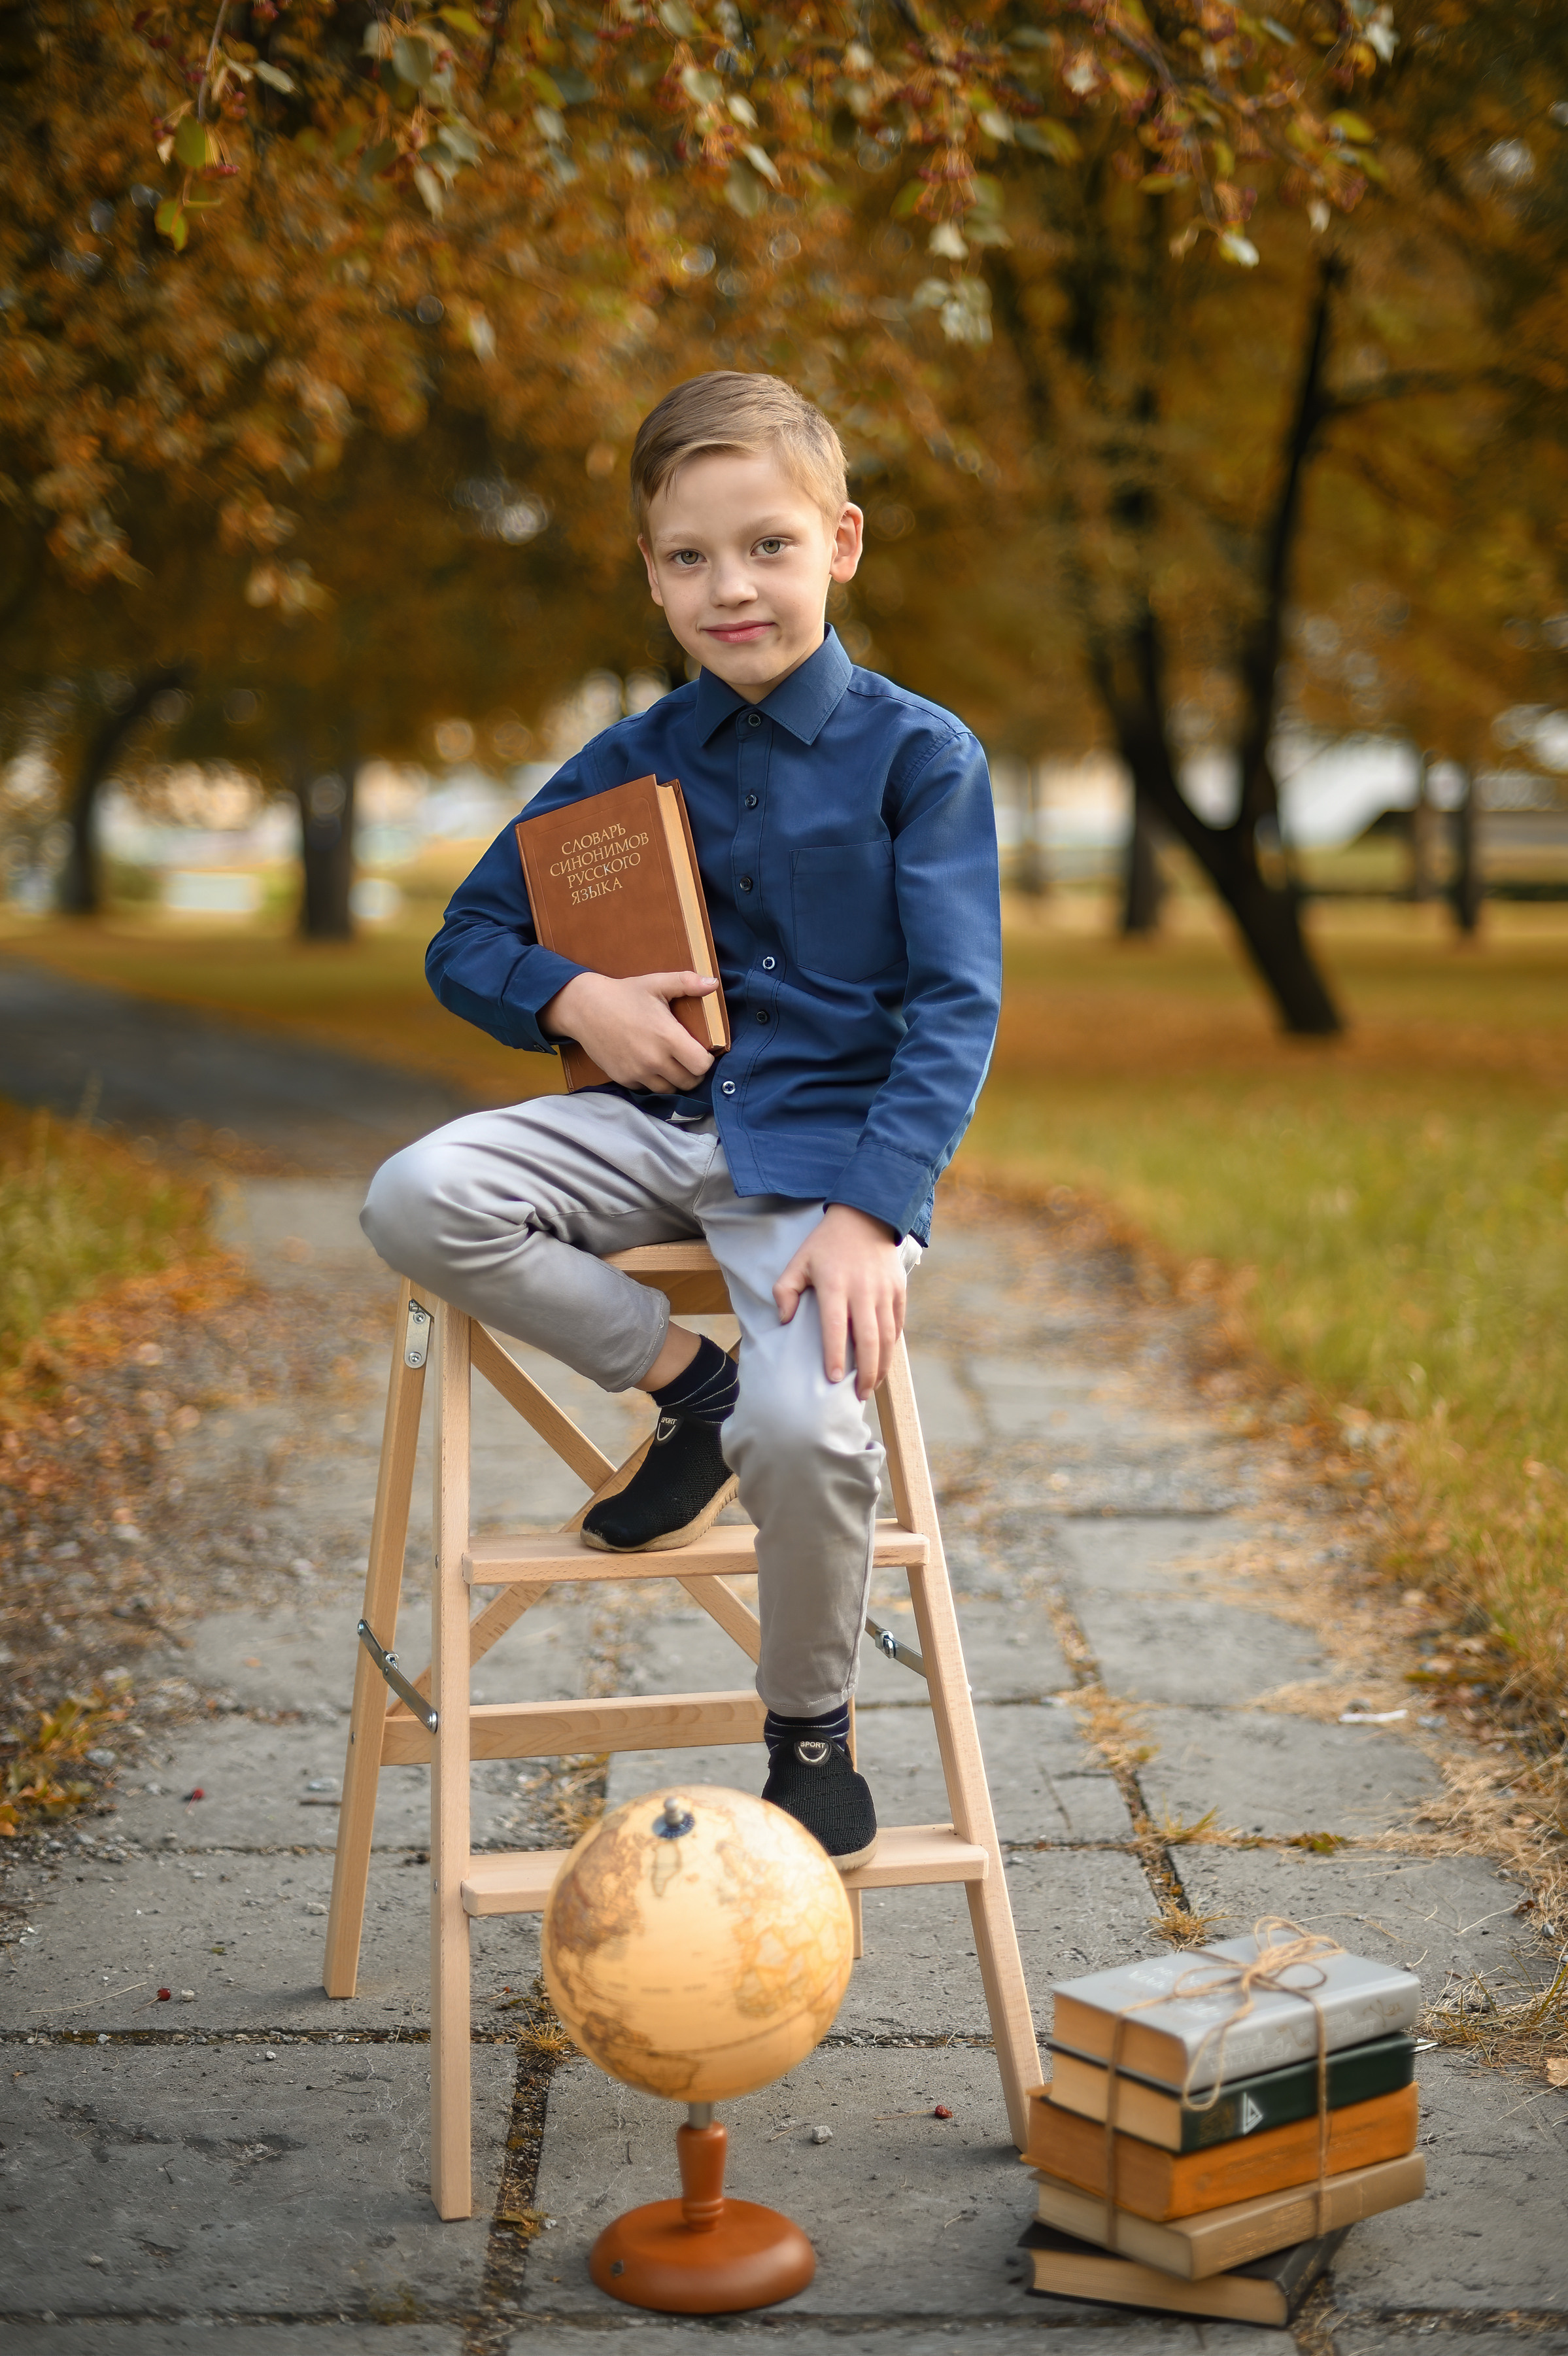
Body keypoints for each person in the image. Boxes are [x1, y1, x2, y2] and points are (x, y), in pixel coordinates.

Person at [362, 372, 1001, 1868]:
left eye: (766, 546)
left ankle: (808, 1729)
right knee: (414, 1193)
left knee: (808, 1423)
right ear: (650, 575)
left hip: (823, 1163)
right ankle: (680, 1384)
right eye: (689, 559)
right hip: (651, 1126)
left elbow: (953, 1010)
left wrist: (871, 1215)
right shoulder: (632, 759)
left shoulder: (923, 758)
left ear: (839, 543)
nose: (731, 587)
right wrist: (572, 998)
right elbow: (465, 936)